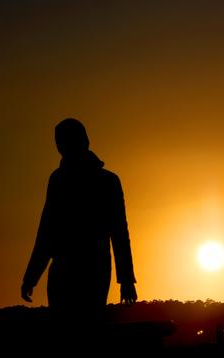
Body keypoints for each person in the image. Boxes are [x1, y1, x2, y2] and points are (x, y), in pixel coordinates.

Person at [21, 118, 137, 322]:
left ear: (83, 141)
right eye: (59, 142)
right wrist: (32, 276)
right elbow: (47, 231)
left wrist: (126, 279)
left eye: (64, 141)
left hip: (94, 270)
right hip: (63, 271)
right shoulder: (57, 180)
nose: (61, 146)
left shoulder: (108, 181)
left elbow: (119, 232)